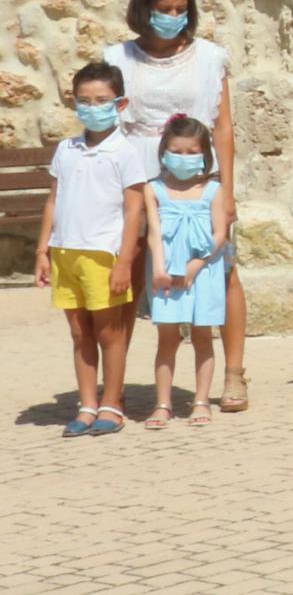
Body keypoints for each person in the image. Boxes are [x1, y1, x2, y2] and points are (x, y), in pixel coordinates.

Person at [105, 0, 248, 413]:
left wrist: (224, 190)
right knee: (130, 272)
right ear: (144, 8)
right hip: (138, 173)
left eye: (181, 9)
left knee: (220, 269)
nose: (173, 16)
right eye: (164, 9)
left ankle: (233, 374)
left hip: (197, 174)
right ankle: (115, 385)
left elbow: (222, 127)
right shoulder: (119, 58)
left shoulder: (208, 56)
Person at [40, 63, 145, 437]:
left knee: (109, 333)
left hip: (104, 255)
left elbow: (134, 208)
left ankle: (112, 403)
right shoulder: (66, 150)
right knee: (79, 333)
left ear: (120, 104)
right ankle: (86, 404)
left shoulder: (125, 151)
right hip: (66, 252)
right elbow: (54, 200)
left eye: (101, 100)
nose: (92, 107)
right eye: (84, 101)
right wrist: (43, 250)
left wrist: (125, 260)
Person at [139, 115, 228, 428]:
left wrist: (195, 265)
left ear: (204, 154)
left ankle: (201, 400)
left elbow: (220, 234)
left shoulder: (213, 189)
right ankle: (162, 403)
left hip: (204, 270)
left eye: (192, 152)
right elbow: (153, 231)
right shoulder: (154, 189)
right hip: (166, 273)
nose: (185, 157)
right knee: (167, 338)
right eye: (178, 151)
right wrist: (159, 268)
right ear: (164, 151)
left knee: (203, 336)